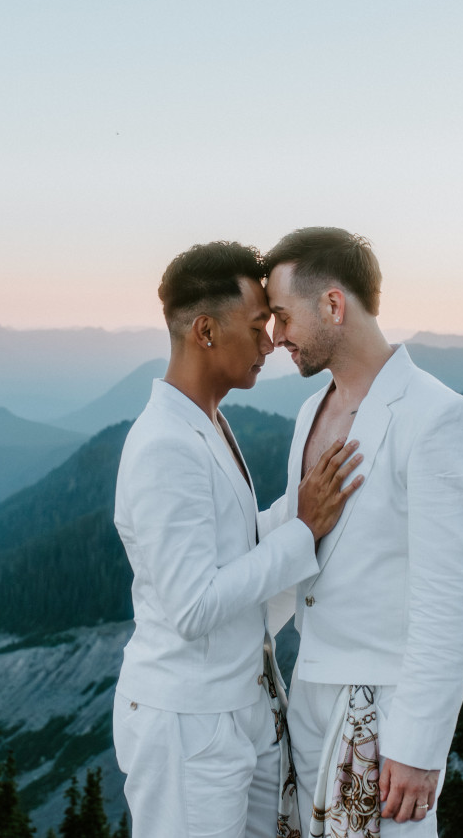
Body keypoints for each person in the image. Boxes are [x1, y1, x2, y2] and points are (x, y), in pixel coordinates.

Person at [112, 240, 365, 838]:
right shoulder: (163, 446)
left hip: (239, 711)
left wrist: (305, 510)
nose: (271, 341)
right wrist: (302, 529)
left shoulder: (208, 421)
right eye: (256, 326)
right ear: (204, 330)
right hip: (187, 725)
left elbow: (236, 550)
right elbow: (193, 606)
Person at [260, 228, 463, 836]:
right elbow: (300, 537)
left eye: (283, 316)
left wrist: (419, 745)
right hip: (309, 692)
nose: (275, 334)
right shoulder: (312, 411)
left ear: (333, 305)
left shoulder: (438, 417)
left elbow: (452, 599)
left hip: (386, 714)